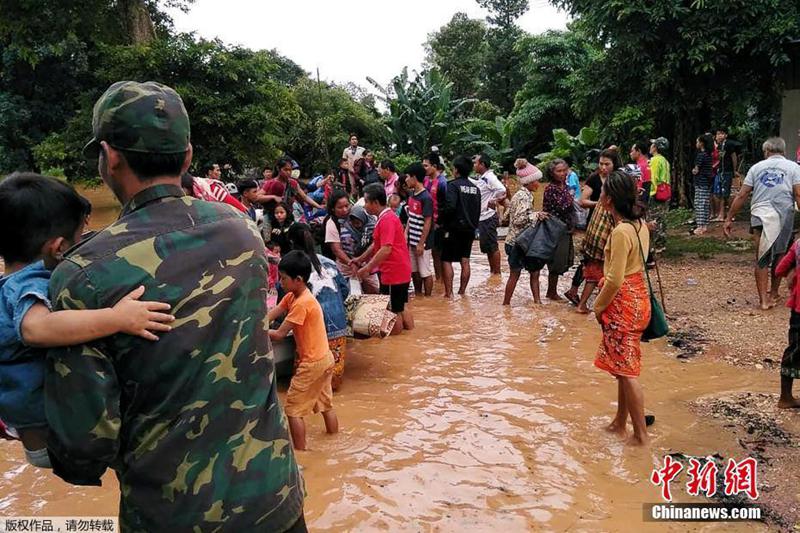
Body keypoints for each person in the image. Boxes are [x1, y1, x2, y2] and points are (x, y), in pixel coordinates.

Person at [47, 81, 304, 531]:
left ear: (109, 156)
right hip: (275, 499)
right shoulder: (241, 231)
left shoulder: (82, 274)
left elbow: (85, 448)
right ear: (187, 157)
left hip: (173, 515)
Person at [0, 173, 174, 468]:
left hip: (30, 429)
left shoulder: (6, 284)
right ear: (58, 248)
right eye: (79, 239)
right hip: (55, 438)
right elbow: (35, 329)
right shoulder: (30, 284)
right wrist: (117, 318)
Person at [593, 171, 652, 447]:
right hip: (640, 298)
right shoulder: (640, 225)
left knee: (627, 372)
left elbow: (615, 278)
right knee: (622, 366)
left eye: (603, 192)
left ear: (608, 200)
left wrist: (597, 306)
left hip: (623, 304)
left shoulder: (620, 232)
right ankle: (620, 422)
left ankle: (640, 436)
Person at [268, 250, 339, 450]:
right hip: (325, 358)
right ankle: (335, 441)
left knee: (293, 410)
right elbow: (275, 313)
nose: (280, 282)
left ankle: (302, 453)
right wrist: (261, 321)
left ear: (298, 279)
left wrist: (256, 330)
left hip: (312, 363)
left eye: (283, 278)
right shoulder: (293, 296)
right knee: (326, 405)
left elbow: (280, 334)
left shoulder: (301, 303)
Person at [724, 137, 800, 310]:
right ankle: (773, 292)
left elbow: (742, 195)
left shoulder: (756, 168)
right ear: (783, 151)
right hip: (783, 215)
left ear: (766, 151)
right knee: (780, 254)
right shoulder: (794, 168)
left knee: (762, 256)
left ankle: (763, 301)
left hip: (760, 214)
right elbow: (798, 194)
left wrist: (729, 218)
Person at [287, 225, 351, 392]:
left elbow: (287, 299)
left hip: (313, 329)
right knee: (332, 383)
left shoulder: (293, 267)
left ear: (292, 242)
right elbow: (345, 290)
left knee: (303, 386)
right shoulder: (329, 262)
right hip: (338, 324)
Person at [564, 149, 621, 312]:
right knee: (594, 264)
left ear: (614, 165)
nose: (603, 167)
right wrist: (602, 204)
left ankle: (581, 295)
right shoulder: (595, 179)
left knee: (595, 265)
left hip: (604, 225)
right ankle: (588, 302)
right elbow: (582, 201)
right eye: (601, 164)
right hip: (598, 225)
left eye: (607, 164)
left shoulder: (616, 178)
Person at [353, 184, 414, 335]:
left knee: (393, 311)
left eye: (366, 202)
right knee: (401, 305)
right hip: (400, 270)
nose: (365, 205)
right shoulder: (387, 217)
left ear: (375, 203)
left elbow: (385, 249)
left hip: (393, 272)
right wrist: (361, 259)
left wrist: (367, 268)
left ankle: (397, 345)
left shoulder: (386, 219)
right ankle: (411, 339)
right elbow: (376, 244)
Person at [503, 161, 547, 305]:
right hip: (518, 243)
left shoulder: (520, 195)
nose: (538, 184)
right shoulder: (524, 197)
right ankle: (507, 304)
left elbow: (506, 216)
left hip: (517, 242)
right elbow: (518, 220)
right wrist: (536, 215)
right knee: (517, 274)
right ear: (529, 182)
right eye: (536, 181)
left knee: (533, 272)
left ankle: (535, 302)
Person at [439, 155, 481, 298]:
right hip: (470, 229)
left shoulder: (453, 185)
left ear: (456, 170)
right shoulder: (476, 189)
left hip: (453, 228)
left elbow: (450, 207)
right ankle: (462, 292)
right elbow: (477, 210)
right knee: (465, 260)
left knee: (446, 259)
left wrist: (441, 219)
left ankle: (448, 293)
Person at [542, 159, 576, 301]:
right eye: (558, 171)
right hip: (555, 229)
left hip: (565, 229)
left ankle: (552, 291)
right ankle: (551, 292)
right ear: (552, 173)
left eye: (564, 170)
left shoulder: (564, 186)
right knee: (556, 261)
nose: (562, 174)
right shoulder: (551, 189)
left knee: (562, 259)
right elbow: (564, 207)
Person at [774, 238, 800, 408]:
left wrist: (793, 272)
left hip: (798, 308)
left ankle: (786, 396)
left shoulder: (798, 244)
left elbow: (779, 269)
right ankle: (785, 399)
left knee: (795, 349)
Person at [472, 154, 507, 275]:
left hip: (488, 216)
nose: (474, 165)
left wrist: (494, 200)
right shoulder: (483, 178)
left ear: (482, 164)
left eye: (476, 163)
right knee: (487, 247)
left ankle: (497, 274)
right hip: (483, 217)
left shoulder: (489, 177)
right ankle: (493, 272)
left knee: (492, 246)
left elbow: (502, 189)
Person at [256, 157, 322, 219]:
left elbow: (304, 197)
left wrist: (319, 207)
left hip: (288, 216)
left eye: (290, 170)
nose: (288, 172)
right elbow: (257, 197)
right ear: (279, 169)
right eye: (285, 170)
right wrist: (273, 197)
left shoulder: (293, 183)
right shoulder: (271, 183)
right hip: (271, 216)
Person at [404, 163, 435, 296]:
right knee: (414, 271)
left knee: (425, 272)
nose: (405, 180)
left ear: (414, 177)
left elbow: (428, 221)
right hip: (412, 239)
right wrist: (406, 233)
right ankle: (418, 296)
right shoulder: (412, 195)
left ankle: (427, 298)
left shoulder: (426, 198)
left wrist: (421, 243)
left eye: (407, 177)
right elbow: (411, 217)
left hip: (423, 241)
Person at [422, 153, 449, 281]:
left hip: (439, 224)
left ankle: (443, 280)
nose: (424, 168)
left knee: (441, 253)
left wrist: (441, 223)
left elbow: (446, 205)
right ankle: (439, 280)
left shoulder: (443, 183)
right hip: (428, 222)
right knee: (433, 252)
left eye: (426, 166)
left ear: (434, 166)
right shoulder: (425, 180)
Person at [711, 128, 741, 221]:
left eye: (722, 134)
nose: (719, 136)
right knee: (719, 193)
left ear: (726, 135)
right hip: (719, 171)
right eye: (718, 134)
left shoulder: (728, 144)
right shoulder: (718, 146)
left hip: (727, 171)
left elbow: (733, 156)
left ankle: (727, 214)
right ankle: (720, 214)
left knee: (725, 193)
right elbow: (719, 159)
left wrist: (734, 170)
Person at [648, 137, 671, 253]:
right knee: (661, 218)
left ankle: (655, 245)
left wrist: (650, 192)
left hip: (656, 192)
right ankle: (661, 243)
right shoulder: (665, 160)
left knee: (653, 218)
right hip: (666, 191)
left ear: (655, 147)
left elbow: (653, 178)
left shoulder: (655, 160)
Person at [691, 134, 714, 235]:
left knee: (699, 204)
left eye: (697, 142)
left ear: (701, 143)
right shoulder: (709, 155)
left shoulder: (701, 155)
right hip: (707, 182)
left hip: (700, 182)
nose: (696, 144)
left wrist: (693, 171)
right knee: (705, 204)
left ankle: (700, 226)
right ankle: (704, 225)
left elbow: (696, 170)